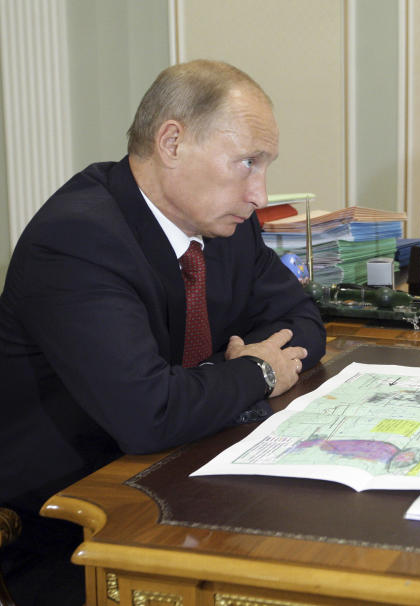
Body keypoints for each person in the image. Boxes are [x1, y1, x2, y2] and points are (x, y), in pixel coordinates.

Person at [0, 60, 326, 603]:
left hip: (190, 480)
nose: (259, 194)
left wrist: (224, 382)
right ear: (172, 141)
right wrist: (256, 370)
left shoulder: (220, 226)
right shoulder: (78, 238)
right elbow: (149, 414)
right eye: (247, 163)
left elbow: (304, 321)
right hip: (72, 527)